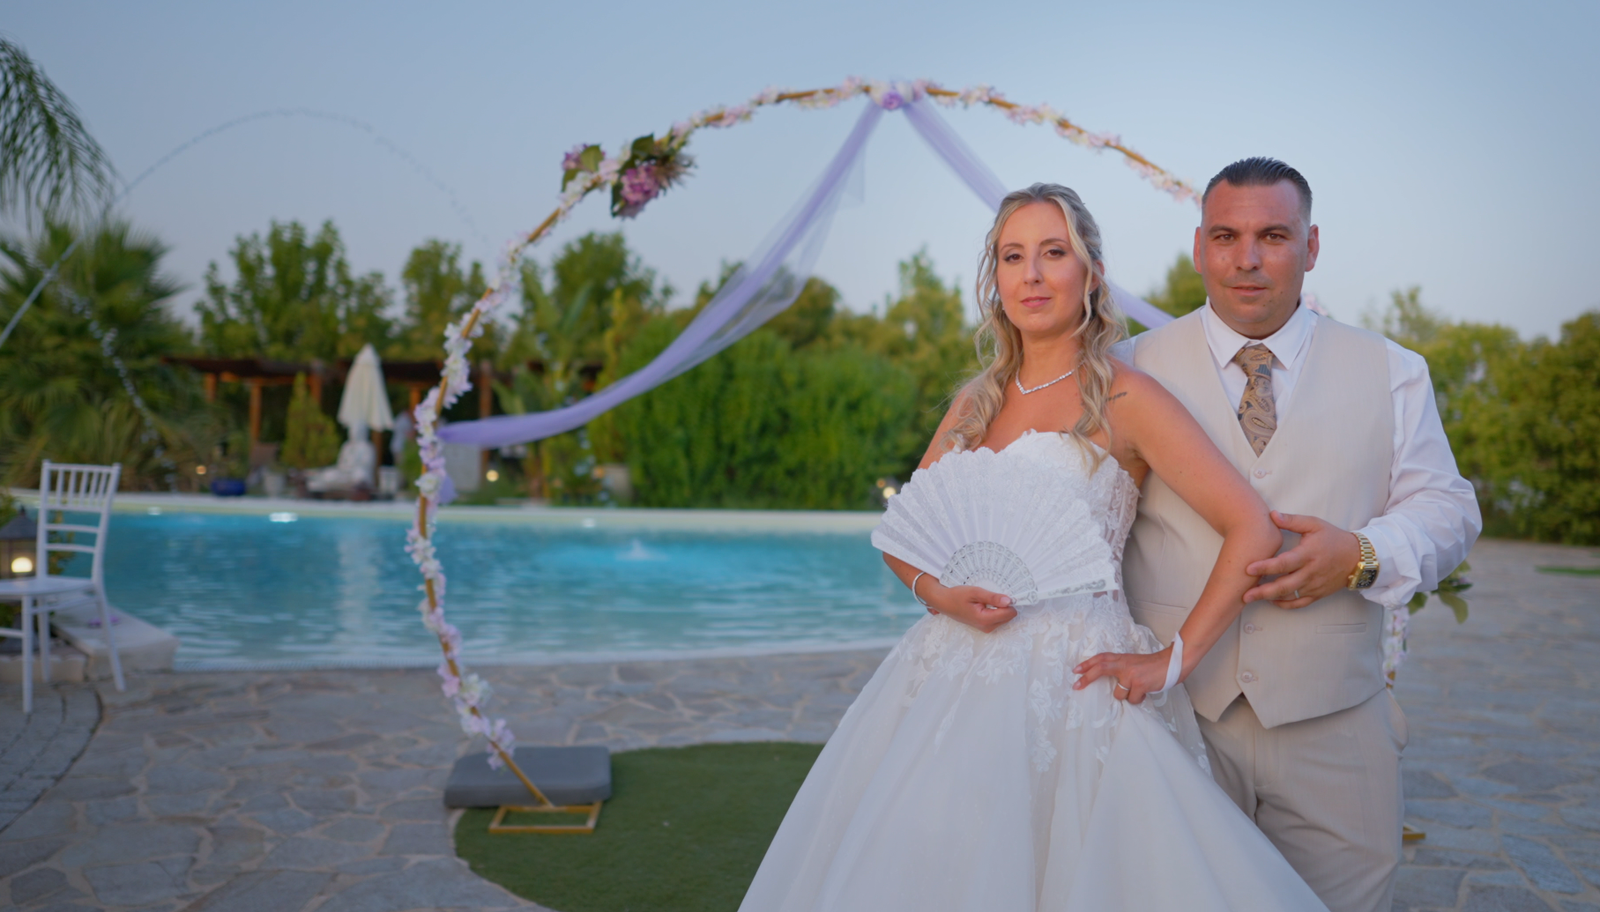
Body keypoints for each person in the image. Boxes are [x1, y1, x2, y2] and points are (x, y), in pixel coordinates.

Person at [739, 183, 1327, 911]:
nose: (1033, 275)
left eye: (1054, 253)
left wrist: (1174, 658)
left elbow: (1253, 528)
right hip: (949, 676)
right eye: (1013, 257)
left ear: (1091, 273)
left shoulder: (1126, 397)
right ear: (996, 279)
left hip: (1074, 687)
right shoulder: (975, 401)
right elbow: (904, 534)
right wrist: (937, 592)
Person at [1109, 157, 1481, 912]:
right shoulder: (1127, 369)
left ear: (1311, 247)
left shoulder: (1393, 370)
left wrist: (1363, 554)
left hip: (1336, 729)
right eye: (1226, 236)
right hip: (1173, 720)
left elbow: (1447, 507)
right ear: (1199, 248)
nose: (1246, 258)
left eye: (1273, 236)